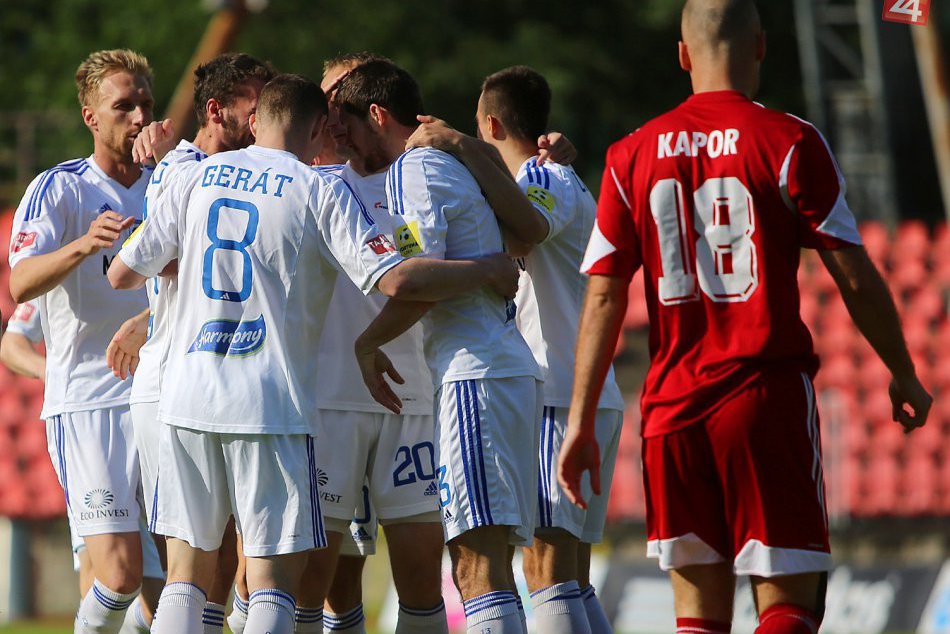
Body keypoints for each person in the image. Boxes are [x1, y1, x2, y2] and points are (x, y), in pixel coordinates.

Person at [557, 2, 933, 634]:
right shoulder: (788, 140)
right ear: (760, 45)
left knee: (697, 618)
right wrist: (903, 371)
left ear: (682, 55)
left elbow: (603, 296)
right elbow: (856, 276)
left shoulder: (629, 154)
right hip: (763, 397)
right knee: (791, 605)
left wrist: (579, 422)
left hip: (671, 411)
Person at [108, 72, 517, 634]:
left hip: (186, 397)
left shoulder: (194, 179)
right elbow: (395, 280)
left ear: (255, 122)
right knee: (275, 584)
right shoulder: (317, 188)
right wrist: (486, 269)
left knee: (187, 576)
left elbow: (123, 271)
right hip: (269, 404)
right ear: (319, 126)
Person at [334, 59, 550, 634]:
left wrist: (368, 341)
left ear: (376, 115)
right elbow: (530, 230)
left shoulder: (414, 168)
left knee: (478, 566)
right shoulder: (452, 159)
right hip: (500, 369)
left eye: (348, 127)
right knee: (488, 561)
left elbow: (417, 279)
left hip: (474, 374)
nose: (345, 143)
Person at [106, 51, 276, 634]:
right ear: (215, 110)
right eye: (253, 109)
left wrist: (148, 316)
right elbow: (150, 267)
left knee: (229, 560)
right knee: (192, 558)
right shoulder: (178, 171)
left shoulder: (243, 172)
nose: (262, 122)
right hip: (172, 385)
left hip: (226, 383)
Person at [8, 48, 159, 634]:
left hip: (165, 399)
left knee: (174, 585)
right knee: (116, 575)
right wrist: (79, 246)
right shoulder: (61, 189)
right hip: (91, 405)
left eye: (145, 103)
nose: (139, 117)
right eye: (123, 106)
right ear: (91, 117)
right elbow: (20, 280)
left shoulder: (170, 187)